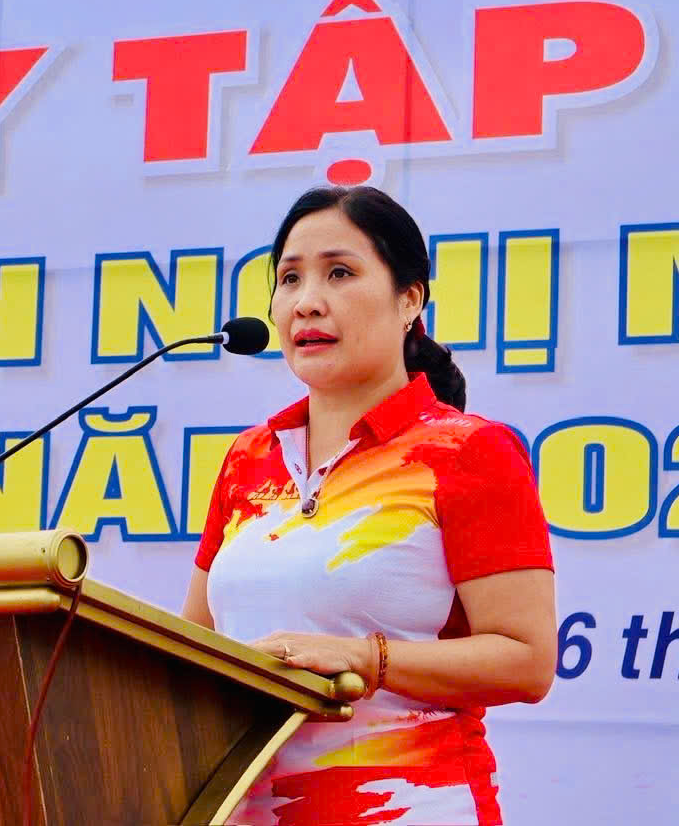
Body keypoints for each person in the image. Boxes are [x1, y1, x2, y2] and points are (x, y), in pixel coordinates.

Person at [182, 186, 556, 826]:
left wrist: (366, 658)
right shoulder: (248, 458)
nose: (307, 301)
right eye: (289, 278)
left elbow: (527, 661)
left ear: (410, 299)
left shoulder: (467, 452)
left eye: (339, 273)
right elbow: (195, 649)